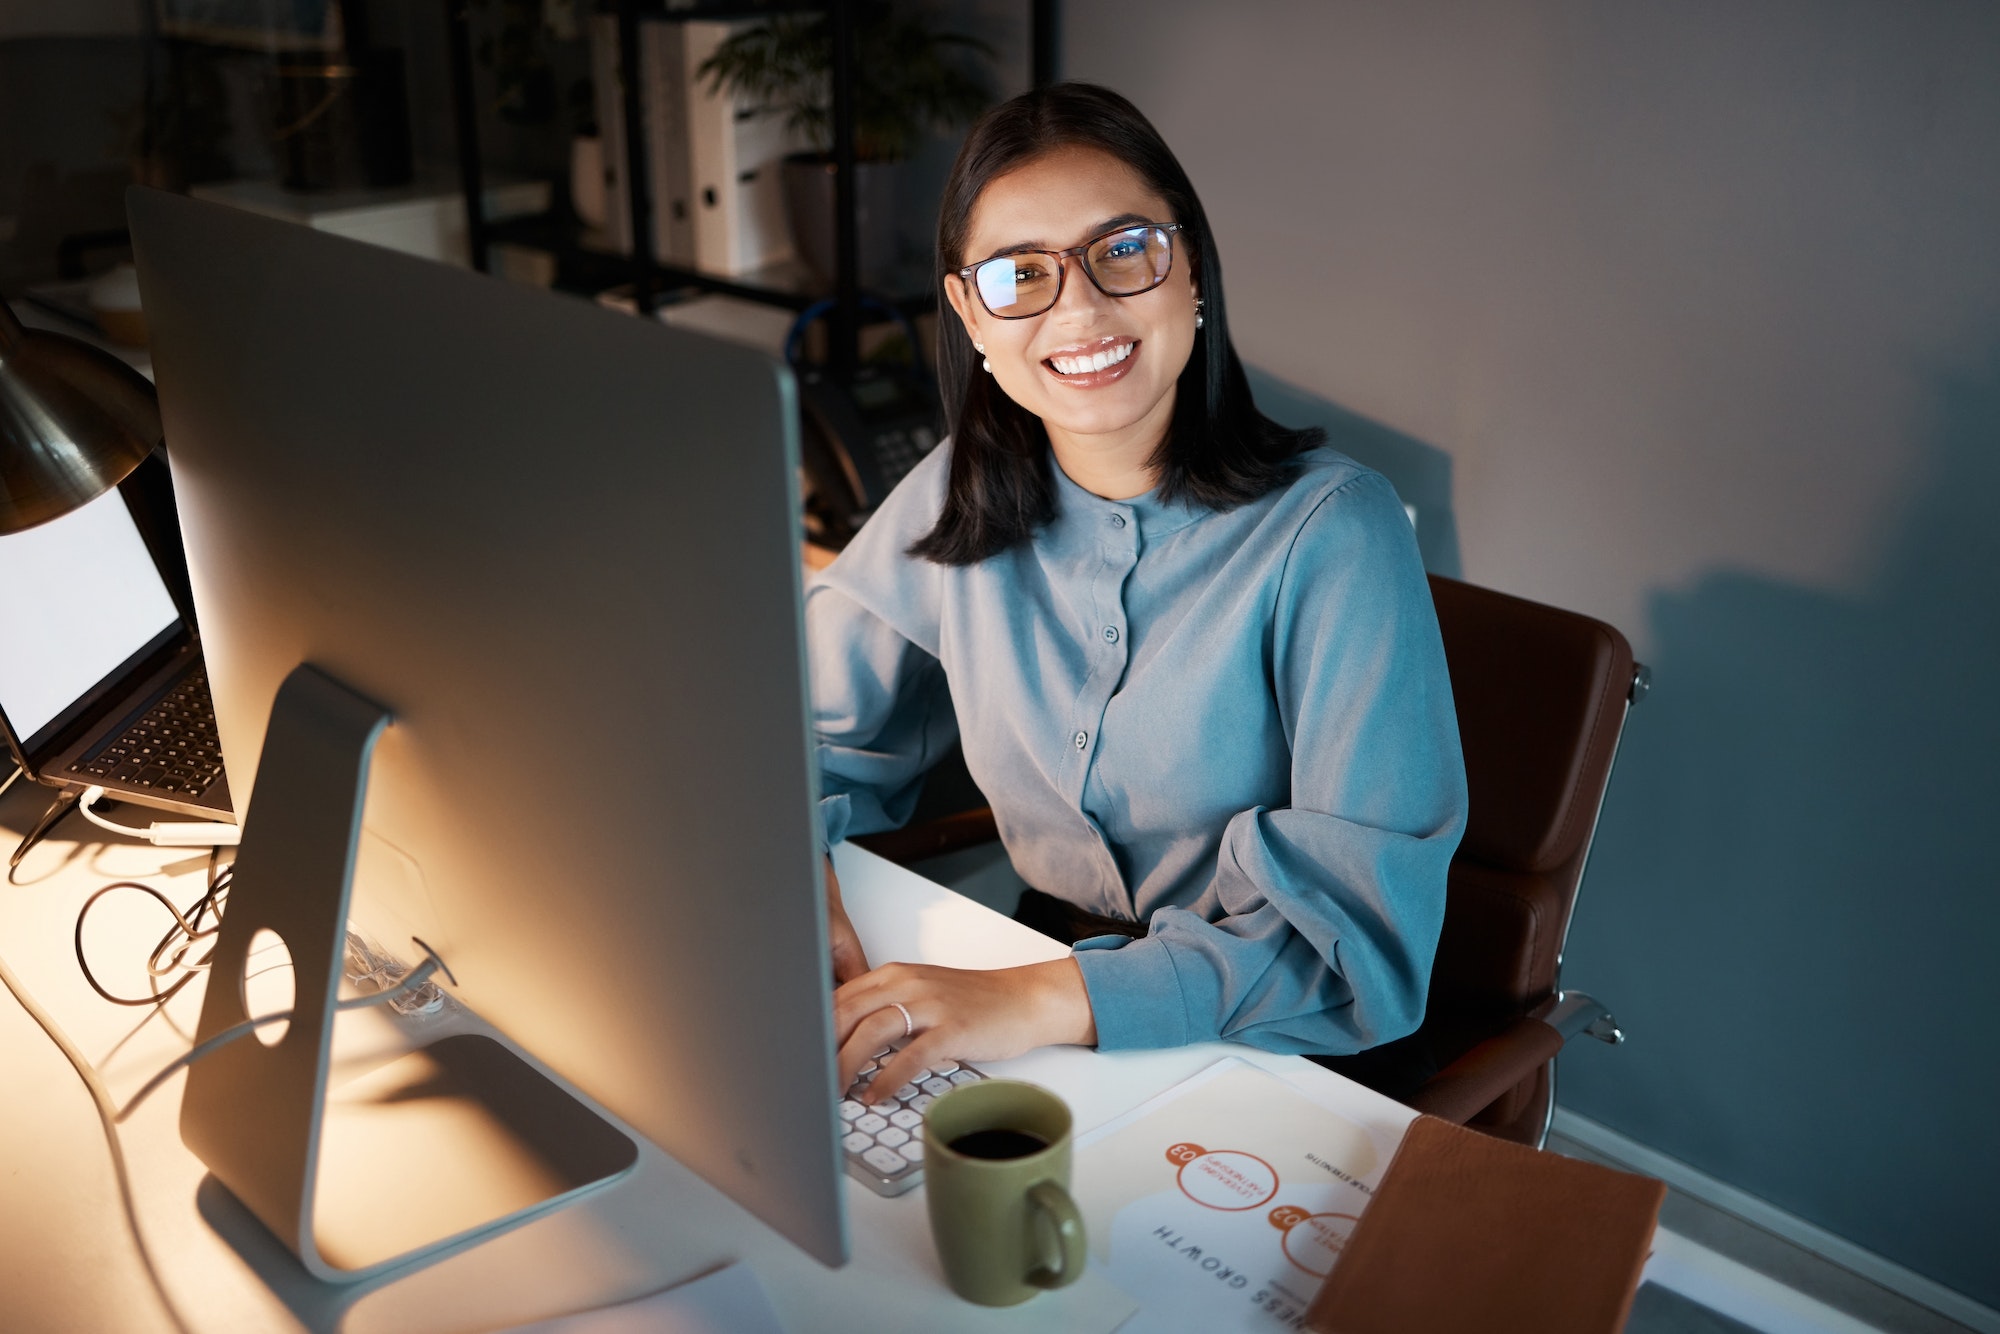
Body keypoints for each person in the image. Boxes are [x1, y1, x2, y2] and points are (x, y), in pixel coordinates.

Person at [812, 83, 1467, 1102]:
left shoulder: (1336, 532)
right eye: (1017, 273)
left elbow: (1358, 954)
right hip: (1043, 990)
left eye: (1121, 250)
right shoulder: (958, 487)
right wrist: (796, 873)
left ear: (1190, 268)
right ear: (969, 316)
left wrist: (1035, 999)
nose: (1076, 308)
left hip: (1284, 1048)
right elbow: (793, 732)